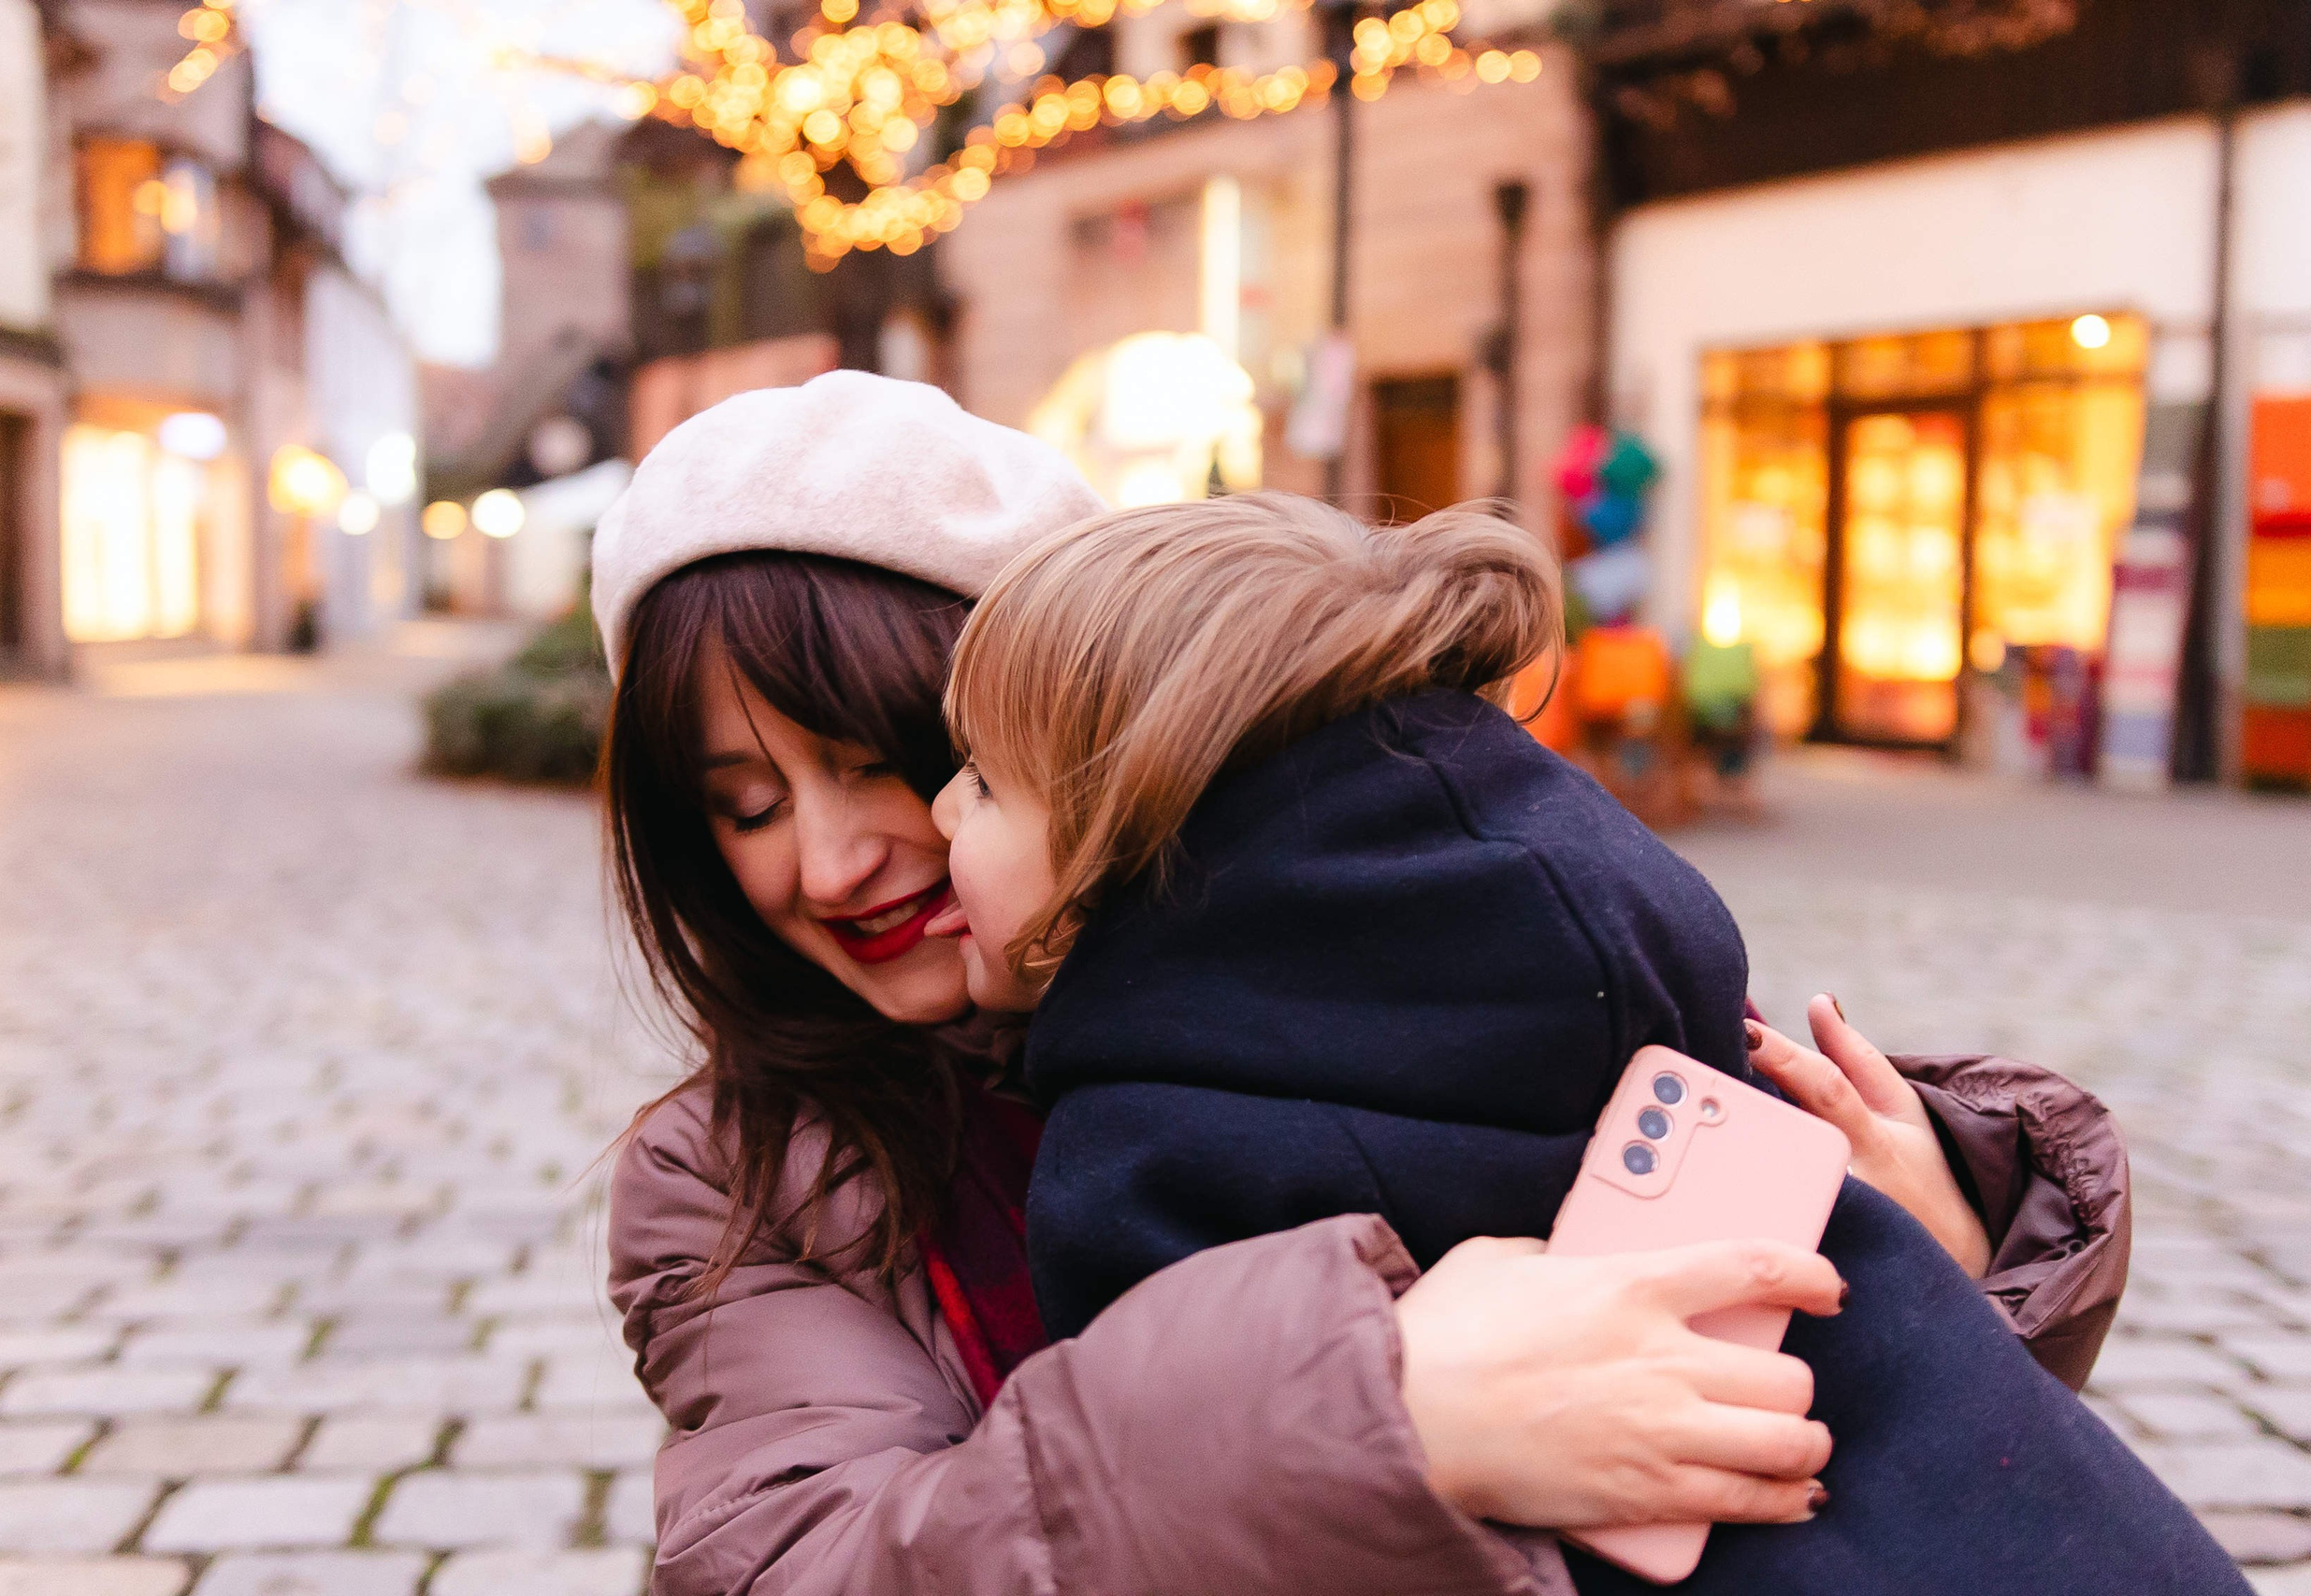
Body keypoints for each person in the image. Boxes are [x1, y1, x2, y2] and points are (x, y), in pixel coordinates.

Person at [596, 372, 2134, 1596]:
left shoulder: (1415, 983)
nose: (836, 857)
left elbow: (1837, 1473)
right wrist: (1379, 1413)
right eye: (741, 804)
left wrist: (1942, 1260)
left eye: (895, 761)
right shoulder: (739, 1179)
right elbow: (805, 1559)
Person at [926, 490, 2243, 1594]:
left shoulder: (1152, 1155)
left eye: (983, 779)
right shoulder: (1592, 993)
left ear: (1124, 836)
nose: (937, 810)